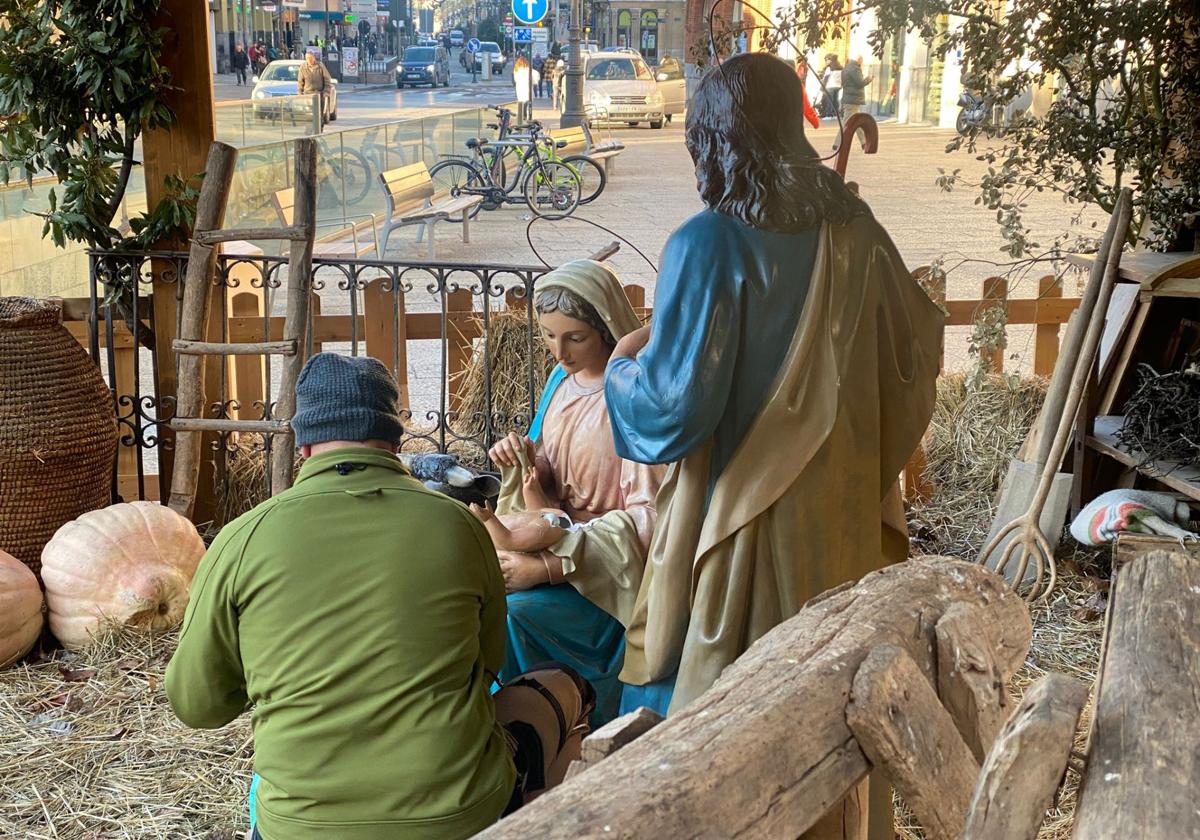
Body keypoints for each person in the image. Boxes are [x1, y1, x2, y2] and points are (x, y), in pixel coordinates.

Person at [604, 52, 942, 721]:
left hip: (740, 522)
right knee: (833, 698)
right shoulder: (858, 234)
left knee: (727, 707)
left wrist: (621, 370)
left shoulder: (707, 245)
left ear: (717, 142)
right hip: (839, 516)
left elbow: (674, 408)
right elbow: (916, 356)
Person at [166, 352, 595, 840]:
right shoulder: (459, 526)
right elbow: (486, 669)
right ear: (396, 442)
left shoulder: (242, 539)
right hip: (459, 815)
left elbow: (197, 706)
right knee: (565, 684)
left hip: (298, 826)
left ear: (303, 446)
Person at [485, 261, 666, 727]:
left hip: (606, 577)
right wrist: (521, 457)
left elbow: (648, 521)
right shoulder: (559, 384)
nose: (559, 352)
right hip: (553, 532)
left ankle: (548, 730)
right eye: (548, 336)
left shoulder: (630, 397)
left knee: (514, 613)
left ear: (605, 329)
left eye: (575, 338)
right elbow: (544, 468)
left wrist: (545, 567)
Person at [836, 56, 875, 150]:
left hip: (849, 98)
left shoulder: (846, 68)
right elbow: (860, 83)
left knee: (854, 122)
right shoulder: (855, 69)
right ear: (857, 59)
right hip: (853, 100)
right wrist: (869, 79)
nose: (862, 61)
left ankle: (864, 142)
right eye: (861, 58)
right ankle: (837, 143)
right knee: (847, 122)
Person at [298, 50, 334, 127]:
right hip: (308, 93)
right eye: (308, 58)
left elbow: (327, 79)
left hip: (319, 93)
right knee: (310, 114)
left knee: (319, 114)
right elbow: (300, 81)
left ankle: (319, 127)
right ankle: (311, 129)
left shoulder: (320, 66)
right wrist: (300, 93)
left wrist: (326, 91)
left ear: (314, 58)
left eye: (311, 58)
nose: (310, 60)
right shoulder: (303, 67)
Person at [513, 56, 540, 122]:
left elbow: (515, 80)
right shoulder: (528, 69)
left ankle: (522, 116)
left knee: (521, 103)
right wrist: (534, 82)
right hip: (527, 88)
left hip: (519, 88)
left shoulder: (516, 70)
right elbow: (536, 75)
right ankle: (526, 116)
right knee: (527, 103)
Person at [820, 53, 842, 118]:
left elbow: (826, 78)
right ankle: (836, 113)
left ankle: (829, 114)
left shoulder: (830, 67)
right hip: (838, 86)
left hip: (830, 86)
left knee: (830, 100)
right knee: (835, 100)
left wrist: (822, 87)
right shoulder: (840, 67)